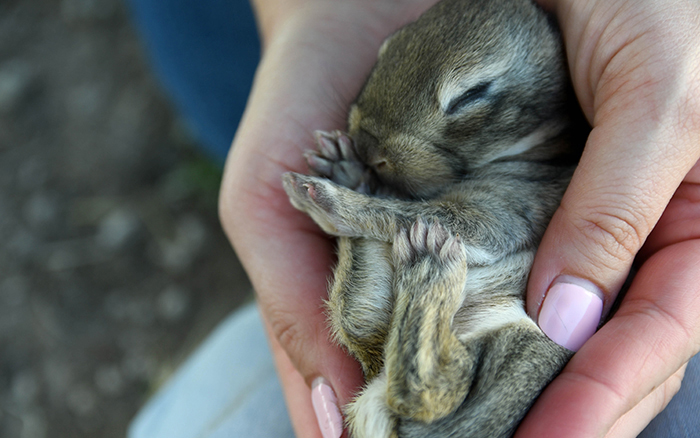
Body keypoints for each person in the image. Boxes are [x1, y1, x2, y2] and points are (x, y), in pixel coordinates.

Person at [128, 0, 700, 437]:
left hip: (468, 359)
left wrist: (357, 209)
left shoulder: (554, 177)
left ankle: (421, 379)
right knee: (353, 318)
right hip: (407, 341)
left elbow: (472, 229)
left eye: (465, 101)